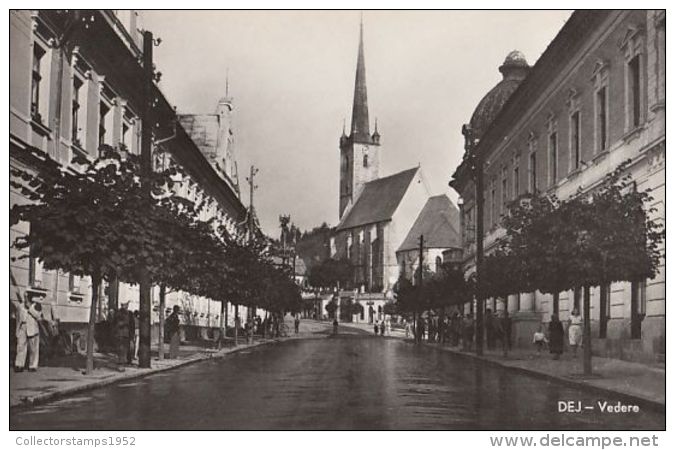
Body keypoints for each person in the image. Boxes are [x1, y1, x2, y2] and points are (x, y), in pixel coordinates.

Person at [13, 293, 43, 372]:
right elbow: (18, 318)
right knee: (20, 346)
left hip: (33, 328)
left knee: (33, 349)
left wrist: (30, 307)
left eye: (27, 297)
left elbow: (39, 317)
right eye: (25, 297)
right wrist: (17, 330)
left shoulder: (37, 306)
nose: (25, 299)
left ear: (31, 298)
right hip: (23, 327)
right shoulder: (20, 306)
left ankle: (32, 365)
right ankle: (19, 365)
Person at [115, 302, 131, 371]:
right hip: (121, 334)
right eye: (125, 305)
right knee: (121, 349)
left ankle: (122, 363)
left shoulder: (128, 313)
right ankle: (121, 364)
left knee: (124, 349)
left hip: (124, 334)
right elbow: (116, 323)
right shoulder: (120, 313)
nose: (126, 306)